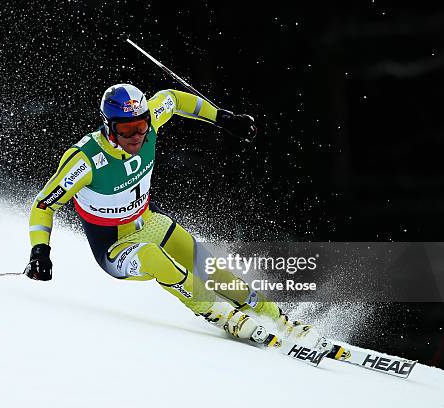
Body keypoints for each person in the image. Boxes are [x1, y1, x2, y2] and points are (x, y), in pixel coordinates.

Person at [25, 84, 315, 346]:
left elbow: (173, 100)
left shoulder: (150, 122)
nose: (136, 136)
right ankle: (215, 311)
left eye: (141, 126)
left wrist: (223, 118)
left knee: (211, 268)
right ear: (108, 127)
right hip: (113, 247)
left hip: (148, 221)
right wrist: (40, 251)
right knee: (154, 258)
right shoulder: (85, 160)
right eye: (125, 130)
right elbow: (43, 204)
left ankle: (275, 316)